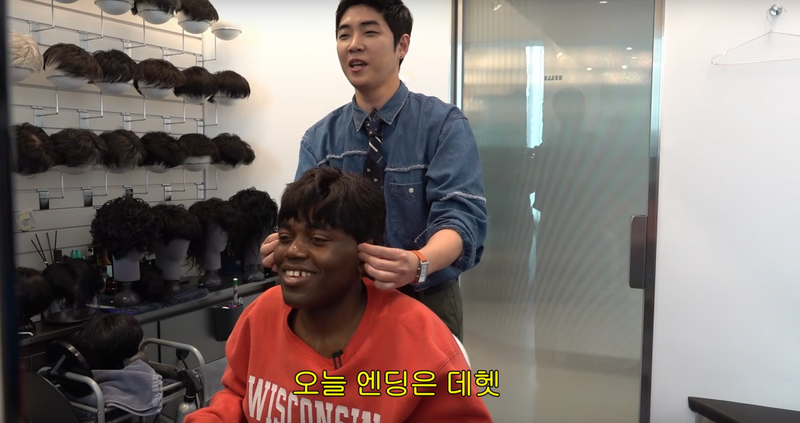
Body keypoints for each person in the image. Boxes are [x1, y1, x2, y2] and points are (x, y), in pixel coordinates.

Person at [186, 168, 493, 423]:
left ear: (365, 249)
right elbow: (238, 395)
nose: (293, 251)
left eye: (318, 239)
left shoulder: (418, 340)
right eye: (285, 237)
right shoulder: (263, 313)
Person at [261, 0, 488, 341]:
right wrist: (286, 242)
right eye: (344, 35)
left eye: (369, 32)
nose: (354, 44)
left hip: (425, 298)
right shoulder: (319, 139)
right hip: (339, 305)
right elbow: (305, 221)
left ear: (402, 45)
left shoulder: (443, 125)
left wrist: (418, 262)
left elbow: (461, 218)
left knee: (428, 378)